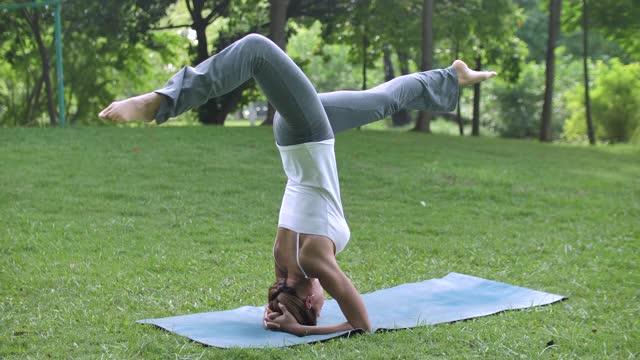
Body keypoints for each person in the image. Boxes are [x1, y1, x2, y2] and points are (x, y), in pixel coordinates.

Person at [99, 33, 496, 336]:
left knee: (255, 49)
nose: (327, 303)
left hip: (308, 132)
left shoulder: (312, 260)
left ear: (311, 297)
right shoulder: (282, 253)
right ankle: (451, 77)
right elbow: (290, 284)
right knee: (382, 101)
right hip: (296, 135)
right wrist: (279, 305)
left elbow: (361, 324)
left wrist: (300, 327)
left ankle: (161, 102)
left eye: (320, 306)